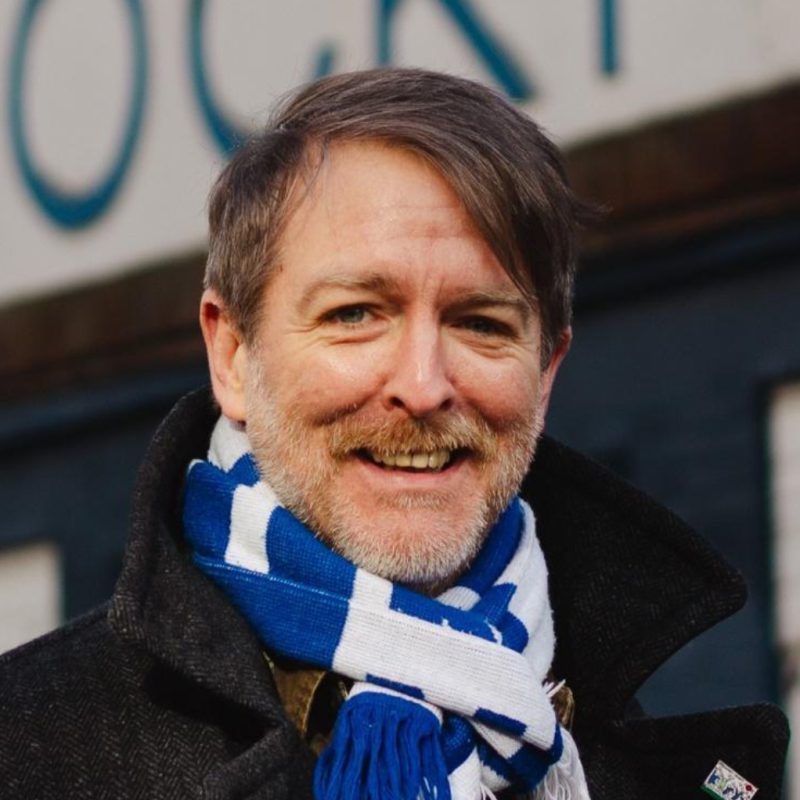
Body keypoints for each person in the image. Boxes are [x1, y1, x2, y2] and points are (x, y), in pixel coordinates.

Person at [0, 68, 788, 799]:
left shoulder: (645, 754)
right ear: (232, 353)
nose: (422, 385)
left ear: (546, 370)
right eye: (354, 315)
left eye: (480, 323)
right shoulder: (29, 743)